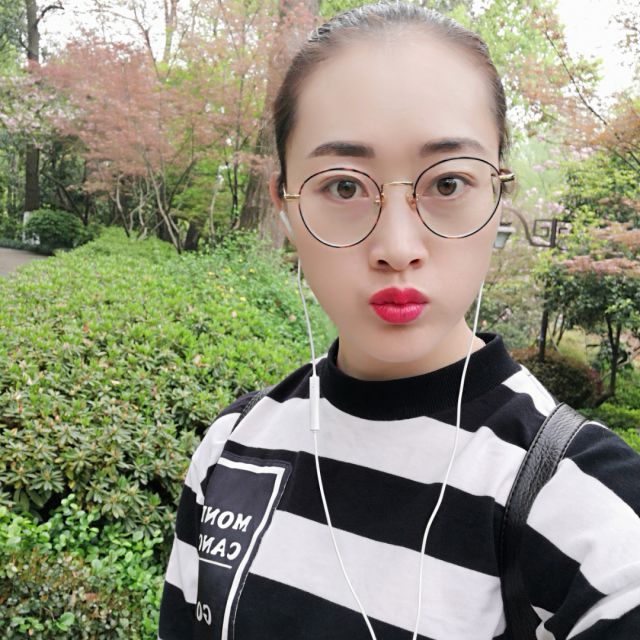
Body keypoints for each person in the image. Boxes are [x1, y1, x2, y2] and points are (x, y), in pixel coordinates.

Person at [158, 3, 640, 639]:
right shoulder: (232, 447)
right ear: (286, 207)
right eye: (343, 187)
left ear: (499, 198)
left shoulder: (587, 511)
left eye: (447, 184)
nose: (396, 246)